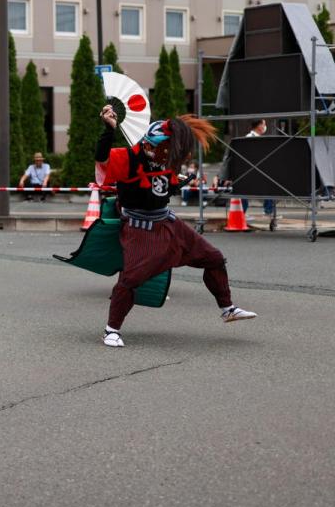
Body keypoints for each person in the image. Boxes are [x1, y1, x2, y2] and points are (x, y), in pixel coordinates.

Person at [95, 104, 256, 348]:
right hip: (140, 230)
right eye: (166, 150)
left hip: (168, 223)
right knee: (130, 280)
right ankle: (111, 330)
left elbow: (161, 189)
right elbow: (102, 159)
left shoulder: (166, 160)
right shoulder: (128, 158)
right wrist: (109, 130)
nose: (170, 156)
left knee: (213, 257)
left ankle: (227, 309)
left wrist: (176, 184)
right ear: (150, 144)